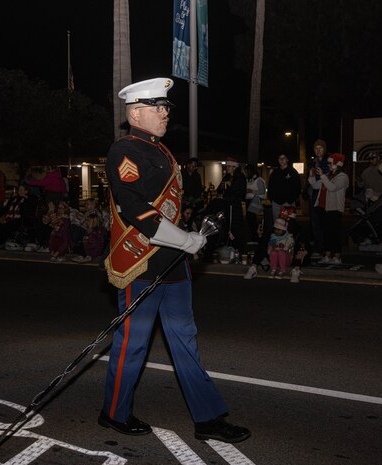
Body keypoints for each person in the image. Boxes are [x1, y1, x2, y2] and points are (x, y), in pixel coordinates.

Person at [101, 77, 250, 443]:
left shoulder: (162, 150)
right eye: (158, 107)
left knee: (186, 340)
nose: (166, 113)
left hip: (174, 264)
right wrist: (185, 239)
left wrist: (190, 236)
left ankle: (208, 418)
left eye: (166, 107)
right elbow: (135, 209)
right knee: (133, 343)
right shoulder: (124, 151)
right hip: (142, 261)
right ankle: (114, 413)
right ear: (136, 112)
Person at [310, 152, 349, 264]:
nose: (329, 165)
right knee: (326, 233)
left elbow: (332, 187)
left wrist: (322, 176)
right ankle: (327, 255)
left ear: (338, 164)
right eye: (329, 163)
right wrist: (312, 176)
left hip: (334, 208)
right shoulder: (327, 175)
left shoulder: (343, 177)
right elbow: (315, 185)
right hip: (323, 207)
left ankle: (337, 256)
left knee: (334, 233)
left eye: (331, 163)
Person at [217, 157, 247, 255]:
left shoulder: (240, 176)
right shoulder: (226, 176)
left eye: (229, 166)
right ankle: (228, 245)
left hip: (235, 205)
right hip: (227, 204)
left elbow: (241, 192)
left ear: (234, 167)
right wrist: (222, 186)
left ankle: (238, 247)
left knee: (236, 226)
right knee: (226, 225)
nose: (227, 168)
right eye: (227, 166)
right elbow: (219, 190)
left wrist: (231, 185)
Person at [305, 139, 329, 258]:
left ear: (324, 149)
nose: (318, 150)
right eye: (316, 148)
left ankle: (326, 249)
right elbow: (309, 180)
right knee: (315, 224)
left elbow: (326, 181)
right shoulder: (311, 163)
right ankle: (319, 249)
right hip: (314, 197)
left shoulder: (329, 162)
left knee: (325, 224)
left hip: (326, 197)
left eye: (321, 148)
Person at [267, 154, 301, 222]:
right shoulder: (274, 172)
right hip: (276, 203)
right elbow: (270, 186)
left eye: (284, 158)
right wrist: (271, 199)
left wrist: (291, 200)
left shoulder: (293, 172)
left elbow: (298, 187)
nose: (282, 160)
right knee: (277, 224)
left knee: (289, 224)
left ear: (287, 160)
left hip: (288, 203)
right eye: (280, 158)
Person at [244, 163, 267, 243]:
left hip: (256, 200)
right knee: (251, 219)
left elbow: (262, 191)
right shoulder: (248, 180)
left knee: (250, 218)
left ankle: (256, 236)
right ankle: (256, 236)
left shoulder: (259, 180)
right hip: (249, 200)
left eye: (246, 172)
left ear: (250, 171)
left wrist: (251, 191)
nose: (245, 173)